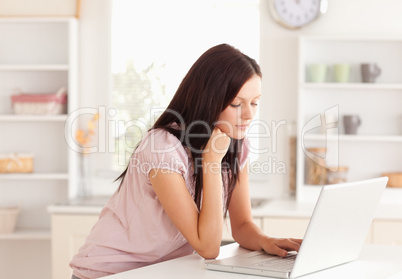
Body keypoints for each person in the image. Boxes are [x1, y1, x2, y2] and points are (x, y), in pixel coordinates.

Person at [70, 44, 302, 279]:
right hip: (109, 272)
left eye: (254, 102)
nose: (250, 115)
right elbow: (208, 247)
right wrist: (211, 161)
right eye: (236, 104)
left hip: (162, 271)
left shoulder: (235, 143)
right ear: (210, 98)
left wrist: (267, 241)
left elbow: (241, 226)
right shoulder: (162, 147)